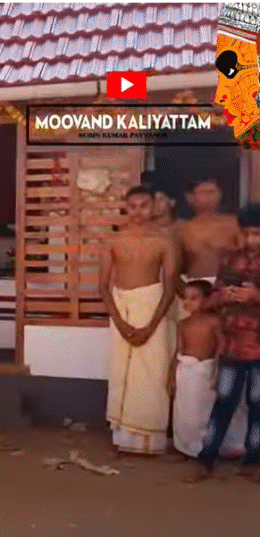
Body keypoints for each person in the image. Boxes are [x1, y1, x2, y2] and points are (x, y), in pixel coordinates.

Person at [100, 185, 178, 455]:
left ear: (153, 207)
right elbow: (102, 287)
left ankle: (150, 439)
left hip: (151, 304)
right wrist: (120, 322)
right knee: (121, 370)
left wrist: (151, 326)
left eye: (144, 206)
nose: (138, 212)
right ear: (125, 207)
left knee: (152, 372)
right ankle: (123, 437)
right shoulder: (113, 241)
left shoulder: (164, 241)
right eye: (132, 206)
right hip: (121, 306)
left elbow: (170, 289)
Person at [186, 204, 260, 482]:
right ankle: (206, 459)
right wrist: (225, 296)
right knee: (223, 403)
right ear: (240, 234)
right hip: (230, 345)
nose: (253, 240)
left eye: (258, 234)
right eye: (249, 234)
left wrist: (255, 297)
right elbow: (212, 299)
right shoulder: (229, 261)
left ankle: (253, 462)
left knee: (258, 406)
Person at [170, 279, 248, 459]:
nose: (188, 302)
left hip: (205, 371)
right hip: (186, 372)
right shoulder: (183, 324)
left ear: (207, 300)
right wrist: (171, 376)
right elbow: (178, 350)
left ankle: (208, 447)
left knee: (204, 412)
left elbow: (221, 346)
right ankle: (186, 447)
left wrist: (217, 372)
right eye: (185, 298)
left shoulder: (214, 322)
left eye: (194, 298)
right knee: (186, 413)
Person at [178, 178, 240, 282]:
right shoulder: (183, 229)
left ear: (220, 195)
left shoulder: (234, 224)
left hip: (228, 285)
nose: (208, 197)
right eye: (202, 192)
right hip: (195, 285)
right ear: (190, 198)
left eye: (212, 192)